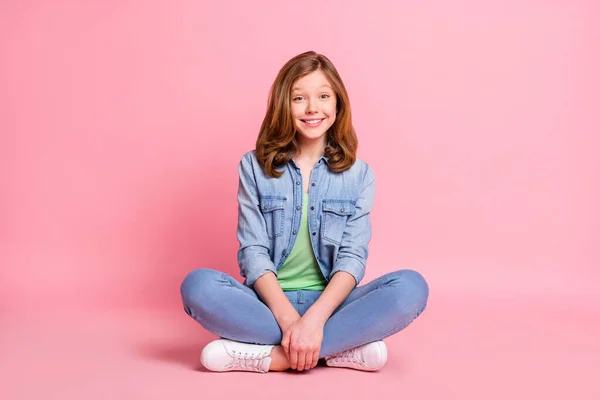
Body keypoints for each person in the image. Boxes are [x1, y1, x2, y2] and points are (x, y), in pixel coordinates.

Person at [180, 51, 429, 373]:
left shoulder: (359, 175)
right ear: (285, 105)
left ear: (338, 105)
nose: (313, 108)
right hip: (267, 306)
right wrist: (290, 320)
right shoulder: (253, 166)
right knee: (198, 285)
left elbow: (352, 259)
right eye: (300, 98)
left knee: (410, 287)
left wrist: (313, 321)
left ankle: (271, 358)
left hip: (333, 306)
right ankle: (336, 350)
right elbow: (253, 252)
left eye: (324, 96)